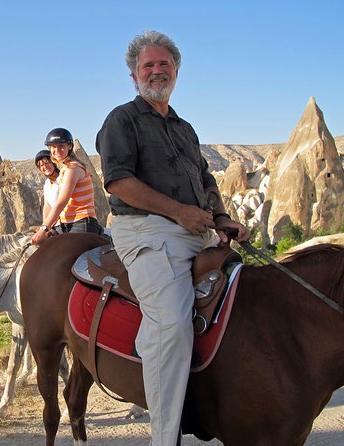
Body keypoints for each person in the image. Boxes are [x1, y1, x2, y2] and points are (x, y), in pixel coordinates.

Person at [95, 31, 249, 445]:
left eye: (164, 64)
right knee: (173, 324)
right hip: (147, 231)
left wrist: (221, 216)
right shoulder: (121, 120)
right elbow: (119, 182)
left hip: (195, 228)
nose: (157, 71)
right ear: (134, 75)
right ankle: (164, 437)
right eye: (148, 65)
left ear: (176, 71)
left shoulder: (184, 128)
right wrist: (180, 212)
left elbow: (204, 177)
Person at [32, 128, 103, 245]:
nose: (57, 150)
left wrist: (44, 228)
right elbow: (48, 205)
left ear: (69, 146)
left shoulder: (73, 169)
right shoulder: (65, 168)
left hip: (82, 222)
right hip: (67, 224)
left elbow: (62, 201)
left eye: (61, 146)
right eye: (53, 147)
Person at [34, 149, 61, 233]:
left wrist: (46, 227)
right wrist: (44, 226)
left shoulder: (63, 179)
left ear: (53, 163)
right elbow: (47, 206)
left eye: (47, 163)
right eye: (41, 165)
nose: (44, 167)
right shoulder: (47, 184)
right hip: (54, 224)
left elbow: (61, 204)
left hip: (66, 222)